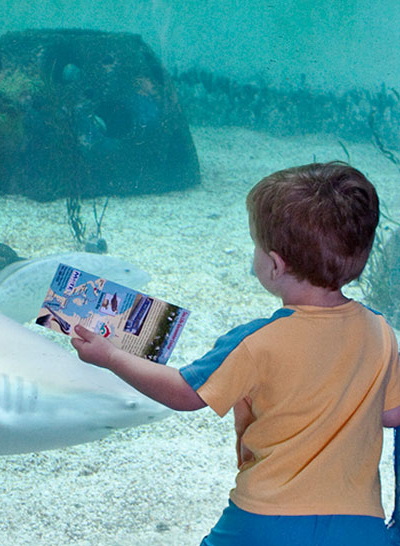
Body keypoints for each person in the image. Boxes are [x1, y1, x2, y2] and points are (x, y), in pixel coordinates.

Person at [70, 162, 400, 546]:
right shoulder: (380, 331)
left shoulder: (257, 340)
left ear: (274, 265)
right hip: (360, 524)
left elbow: (184, 393)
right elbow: (392, 413)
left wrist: (111, 357)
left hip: (266, 520)